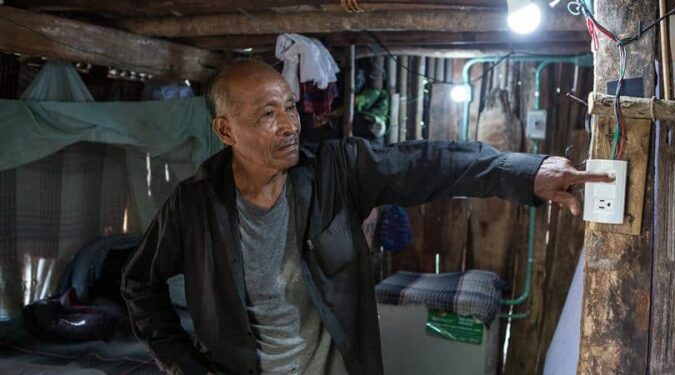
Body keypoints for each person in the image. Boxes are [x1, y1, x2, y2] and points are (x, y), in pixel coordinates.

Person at [121, 60, 612, 375]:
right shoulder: (195, 204)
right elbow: (139, 283)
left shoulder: (337, 171)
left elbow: (429, 163)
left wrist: (523, 172)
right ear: (225, 131)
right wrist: (181, 364)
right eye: (268, 114)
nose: (291, 124)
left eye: (290, 107)